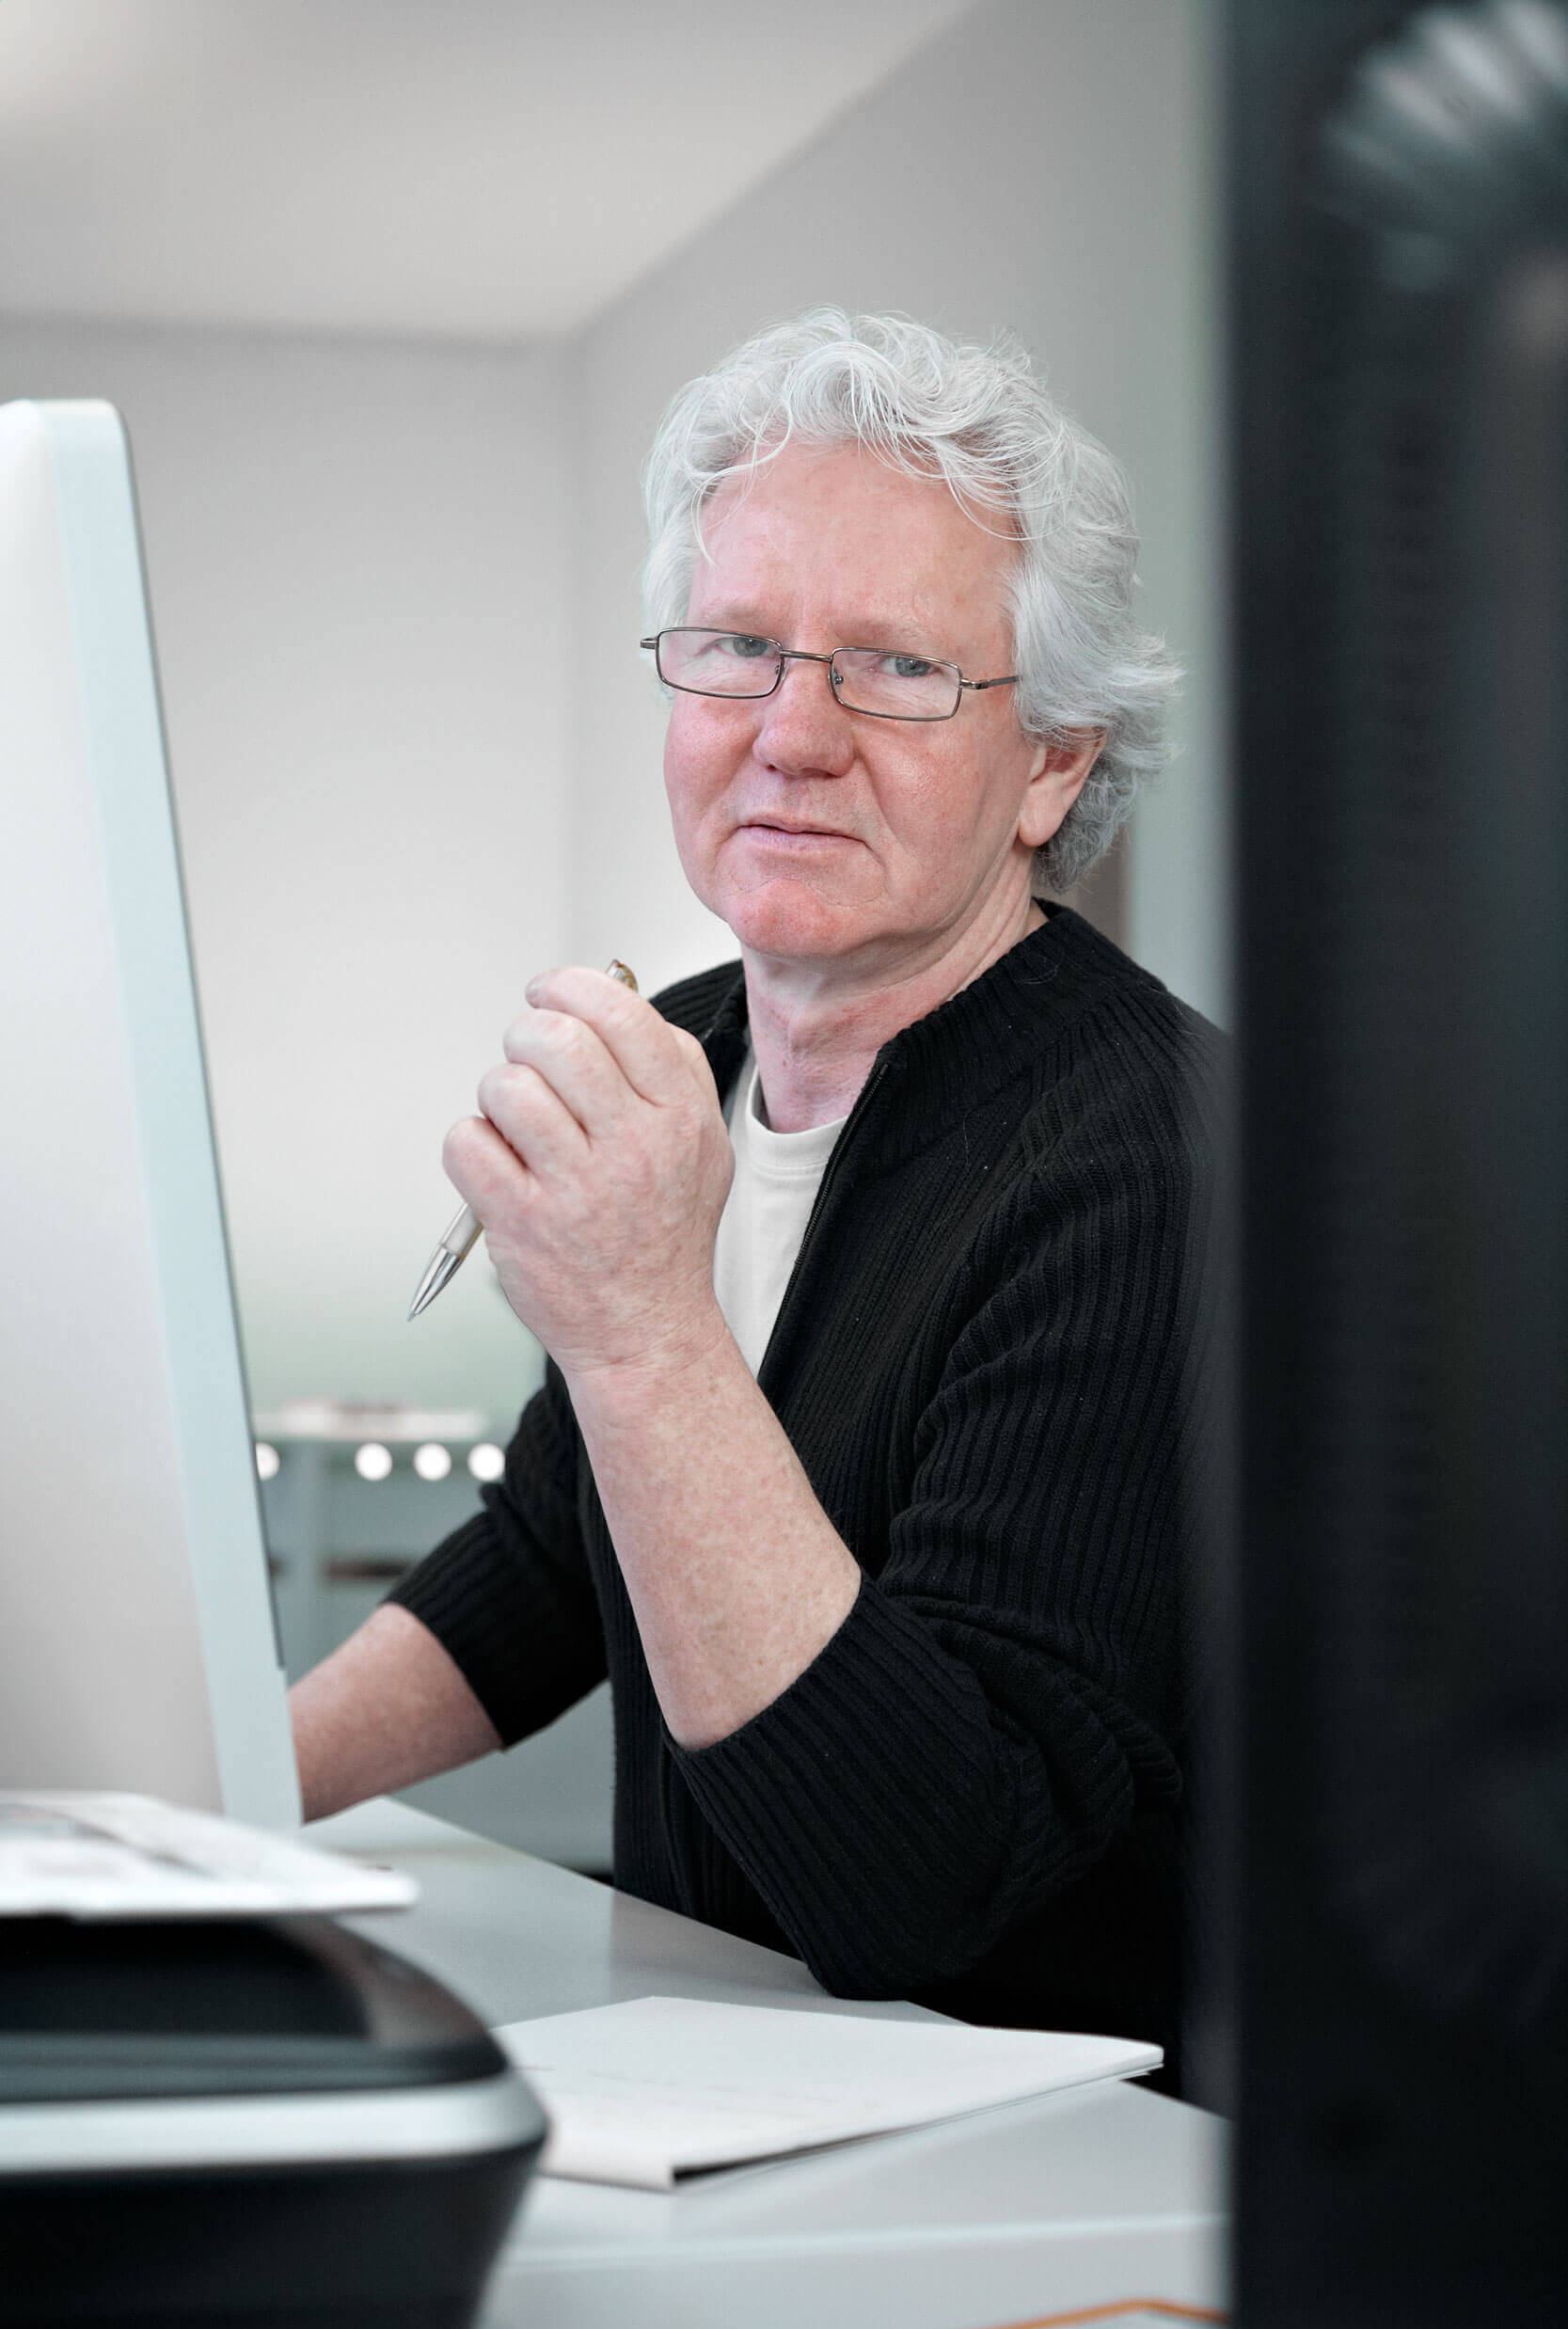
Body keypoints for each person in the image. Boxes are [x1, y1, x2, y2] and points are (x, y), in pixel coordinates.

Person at [290, 309, 1221, 2083]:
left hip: (1062, 2171)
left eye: (895, 668)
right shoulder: (686, 1050)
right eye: (738, 648)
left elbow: (925, 1880)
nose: (791, 733)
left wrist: (640, 1323)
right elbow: (555, 1559)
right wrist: (207, 1798)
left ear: (1055, 764)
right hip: (728, 2085)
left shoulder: (1157, 1160)